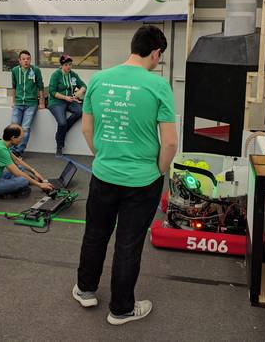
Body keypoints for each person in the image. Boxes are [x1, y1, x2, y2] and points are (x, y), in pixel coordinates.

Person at [73, 26, 178, 325]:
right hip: (142, 180)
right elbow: (170, 142)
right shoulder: (158, 86)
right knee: (128, 243)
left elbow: (86, 129)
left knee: (95, 234)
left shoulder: (99, 79)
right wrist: (158, 170)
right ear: (156, 53)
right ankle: (121, 309)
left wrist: (103, 156)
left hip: (104, 173)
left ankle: (85, 290)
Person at [0, 124, 54, 199]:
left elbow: (17, 161)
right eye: (20, 138)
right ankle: (14, 188)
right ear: (13, 138)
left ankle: (16, 185)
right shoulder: (0, 149)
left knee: (21, 170)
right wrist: (40, 185)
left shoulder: (1, 143)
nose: (21, 141)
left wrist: (34, 172)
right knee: (23, 180)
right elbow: (17, 173)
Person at [48, 54, 86, 157]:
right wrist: (65, 97)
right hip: (56, 102)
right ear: (61, 65)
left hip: (70, 100)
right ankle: (59, 147)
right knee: (62, 123)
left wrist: (79, 93)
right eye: (66, 65)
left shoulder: (73, 74)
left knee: (80, 111)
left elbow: (83, 85)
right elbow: (51, 91)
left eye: (70, 64)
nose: (68, 67)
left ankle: (63, 130)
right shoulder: (56, 75)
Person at [10, 50, 45, 157]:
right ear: (19, 61)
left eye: (28, 59)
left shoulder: (36, 70)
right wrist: (14, 101)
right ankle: (11, 150)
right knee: (14, 127)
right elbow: (14, 86)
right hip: (19, 103)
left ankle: (18, 152)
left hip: (31, 103)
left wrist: (41, 102)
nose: (26, 61)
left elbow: (40, 87)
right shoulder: (15, 70)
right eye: (24, 59)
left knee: (25, 128)